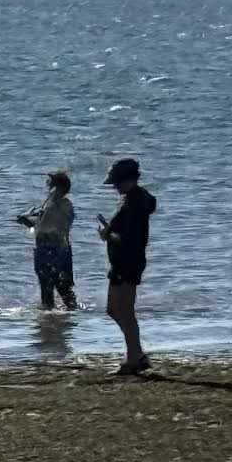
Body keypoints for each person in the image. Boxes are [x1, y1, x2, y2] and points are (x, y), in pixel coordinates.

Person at [99, 157, 154, 375]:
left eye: (117, 182)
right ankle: (137, 352)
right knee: (113, 309)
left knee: (125, 312)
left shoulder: (134, 202)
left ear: (129, 180)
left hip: (127, 261)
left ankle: (134, 359)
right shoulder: (139, 197)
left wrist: (107, 234)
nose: (114, 186)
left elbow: (128, 239)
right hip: (123, 262)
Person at [17, 171, 77, 311]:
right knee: (51, 288)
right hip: (49, 248)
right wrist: (27, 221)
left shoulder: (61, 205)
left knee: (60, 289)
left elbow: (48, 226)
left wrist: (29, 220)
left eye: (50, 183)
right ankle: (57, 319)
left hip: (55, 249)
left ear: (58, 187)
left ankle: (60, 317)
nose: (47, 186)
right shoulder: (52, 204)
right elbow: (41, 226)